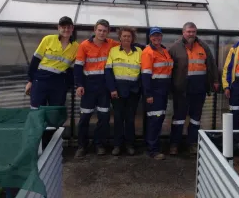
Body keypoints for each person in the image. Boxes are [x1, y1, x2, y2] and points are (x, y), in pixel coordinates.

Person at [168, 22, 219, 155]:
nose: (191, 34)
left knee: (195, 118)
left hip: (199, 88)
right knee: (179, 118)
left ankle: (192, 143)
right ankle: (174, 144)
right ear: (183, 32)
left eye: (193, 31)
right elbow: (168, 69)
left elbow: (211, 64)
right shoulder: (174, 48)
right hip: (182, 89)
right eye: (189, 31)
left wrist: (215, 80)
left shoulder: (203, 46)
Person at [73, 19, 119, 158]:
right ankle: (82, 146)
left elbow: (127, 44)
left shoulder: (112, 44)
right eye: (99, 30)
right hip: (88, 87)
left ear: (108, 32)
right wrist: (79, 85)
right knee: (84, 118)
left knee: (103, 118)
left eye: (105, 31)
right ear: (94, 30)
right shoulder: (84, 45)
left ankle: (99, 145)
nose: (102, 33)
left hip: (104, 88)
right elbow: (78, 67)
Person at [25, 16, 78, 110]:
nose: (66, 30)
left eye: (69, 27)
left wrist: (68, 85)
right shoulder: (48, 39)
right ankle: (37, 125)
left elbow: (72, 68)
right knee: (36, 109)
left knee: (55, 111)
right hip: (41, 78)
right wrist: (30, 81)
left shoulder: (76, 47)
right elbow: (35, 60)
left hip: (59, 81)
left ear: (72, 28)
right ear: (58, 28)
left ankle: (53, 125)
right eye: (63, 27)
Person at [105, 27, 142, 156]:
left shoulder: (139, 52)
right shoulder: (113, 51)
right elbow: (108, 71)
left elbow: (143, 72)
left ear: (133, 38)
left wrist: (139, 88)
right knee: (118, 118)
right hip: (118, 91)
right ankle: (117, 145)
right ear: (120, 37)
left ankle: (130, 145)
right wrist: (112, 89)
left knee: (130, 119)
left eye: (129, 36)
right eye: (124, 36)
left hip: (133, 91)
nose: (126, 38)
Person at [141, 27, 174, 160]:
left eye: (158, 36)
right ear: (150, 37)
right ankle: (152, 150)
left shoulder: (165, 51)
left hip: (163, 90)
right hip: (154, 90)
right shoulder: (148, 52)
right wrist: (148, 94)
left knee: (159, 118)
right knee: (154, 119)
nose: (156, 38)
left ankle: (154, 145)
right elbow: (145, 75)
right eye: (154, 36)